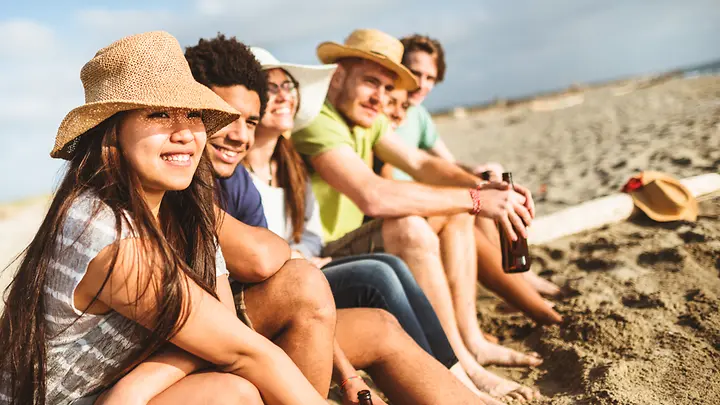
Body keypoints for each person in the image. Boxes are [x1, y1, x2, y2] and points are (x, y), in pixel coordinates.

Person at [0, 31, 328, 405]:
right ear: (111, 132)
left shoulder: (184, 210)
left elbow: (226, 329)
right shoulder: (102, 229)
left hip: (112, 393)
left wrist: (136, 386)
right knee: (231, 394)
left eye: (193, 114)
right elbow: (242, 350)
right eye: (158, 114)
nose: (185, 133)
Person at [184, 35, 486, 405]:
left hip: (251, 323)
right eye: (226, 118)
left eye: (249, 121)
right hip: (210, 348)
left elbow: (284, 266)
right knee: (329, 278)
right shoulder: (182, 181)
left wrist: (348, 377)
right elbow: (264, 263)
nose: (239, 135)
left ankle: (466, 381)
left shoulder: (243, 178)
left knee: (382, 325)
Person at [293, 28, 541, 401]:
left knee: (456, 213)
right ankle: (460, 365)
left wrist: (482, 188)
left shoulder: (365, 117)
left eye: (387, 88)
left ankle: (470, 342)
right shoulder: (317, 119)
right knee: (410, 228)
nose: (380, 97)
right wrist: (474, 198)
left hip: (346, 245)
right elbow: (372, 196)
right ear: (338, 75)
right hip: (317, 256)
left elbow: (420, 161)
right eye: (371, 82)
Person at [386, 34, 564, 325]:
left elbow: (445, 162)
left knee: (485, 184)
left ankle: (522, 277)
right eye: (415, 73)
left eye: (430, 77)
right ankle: (530, 299)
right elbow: (405, 171)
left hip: (420, 196)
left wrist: (481, 173)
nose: (422, 83)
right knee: (467, 210)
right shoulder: (380, 113)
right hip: (402, 205)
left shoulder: (417, 115)